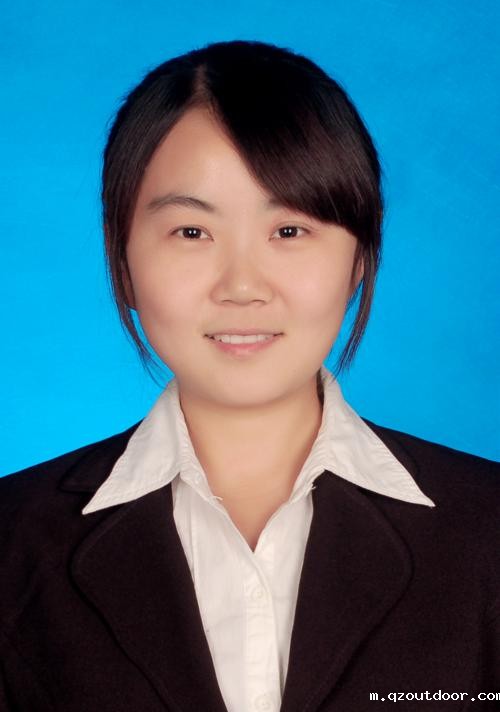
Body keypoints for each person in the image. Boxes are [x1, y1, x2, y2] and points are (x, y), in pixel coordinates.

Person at [0, 39, 498, 712]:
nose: (241, 286)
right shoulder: (12, 544)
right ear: (122, 259)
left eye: (289, 231)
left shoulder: (488, 530)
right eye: (191, 232)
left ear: (360, 257)